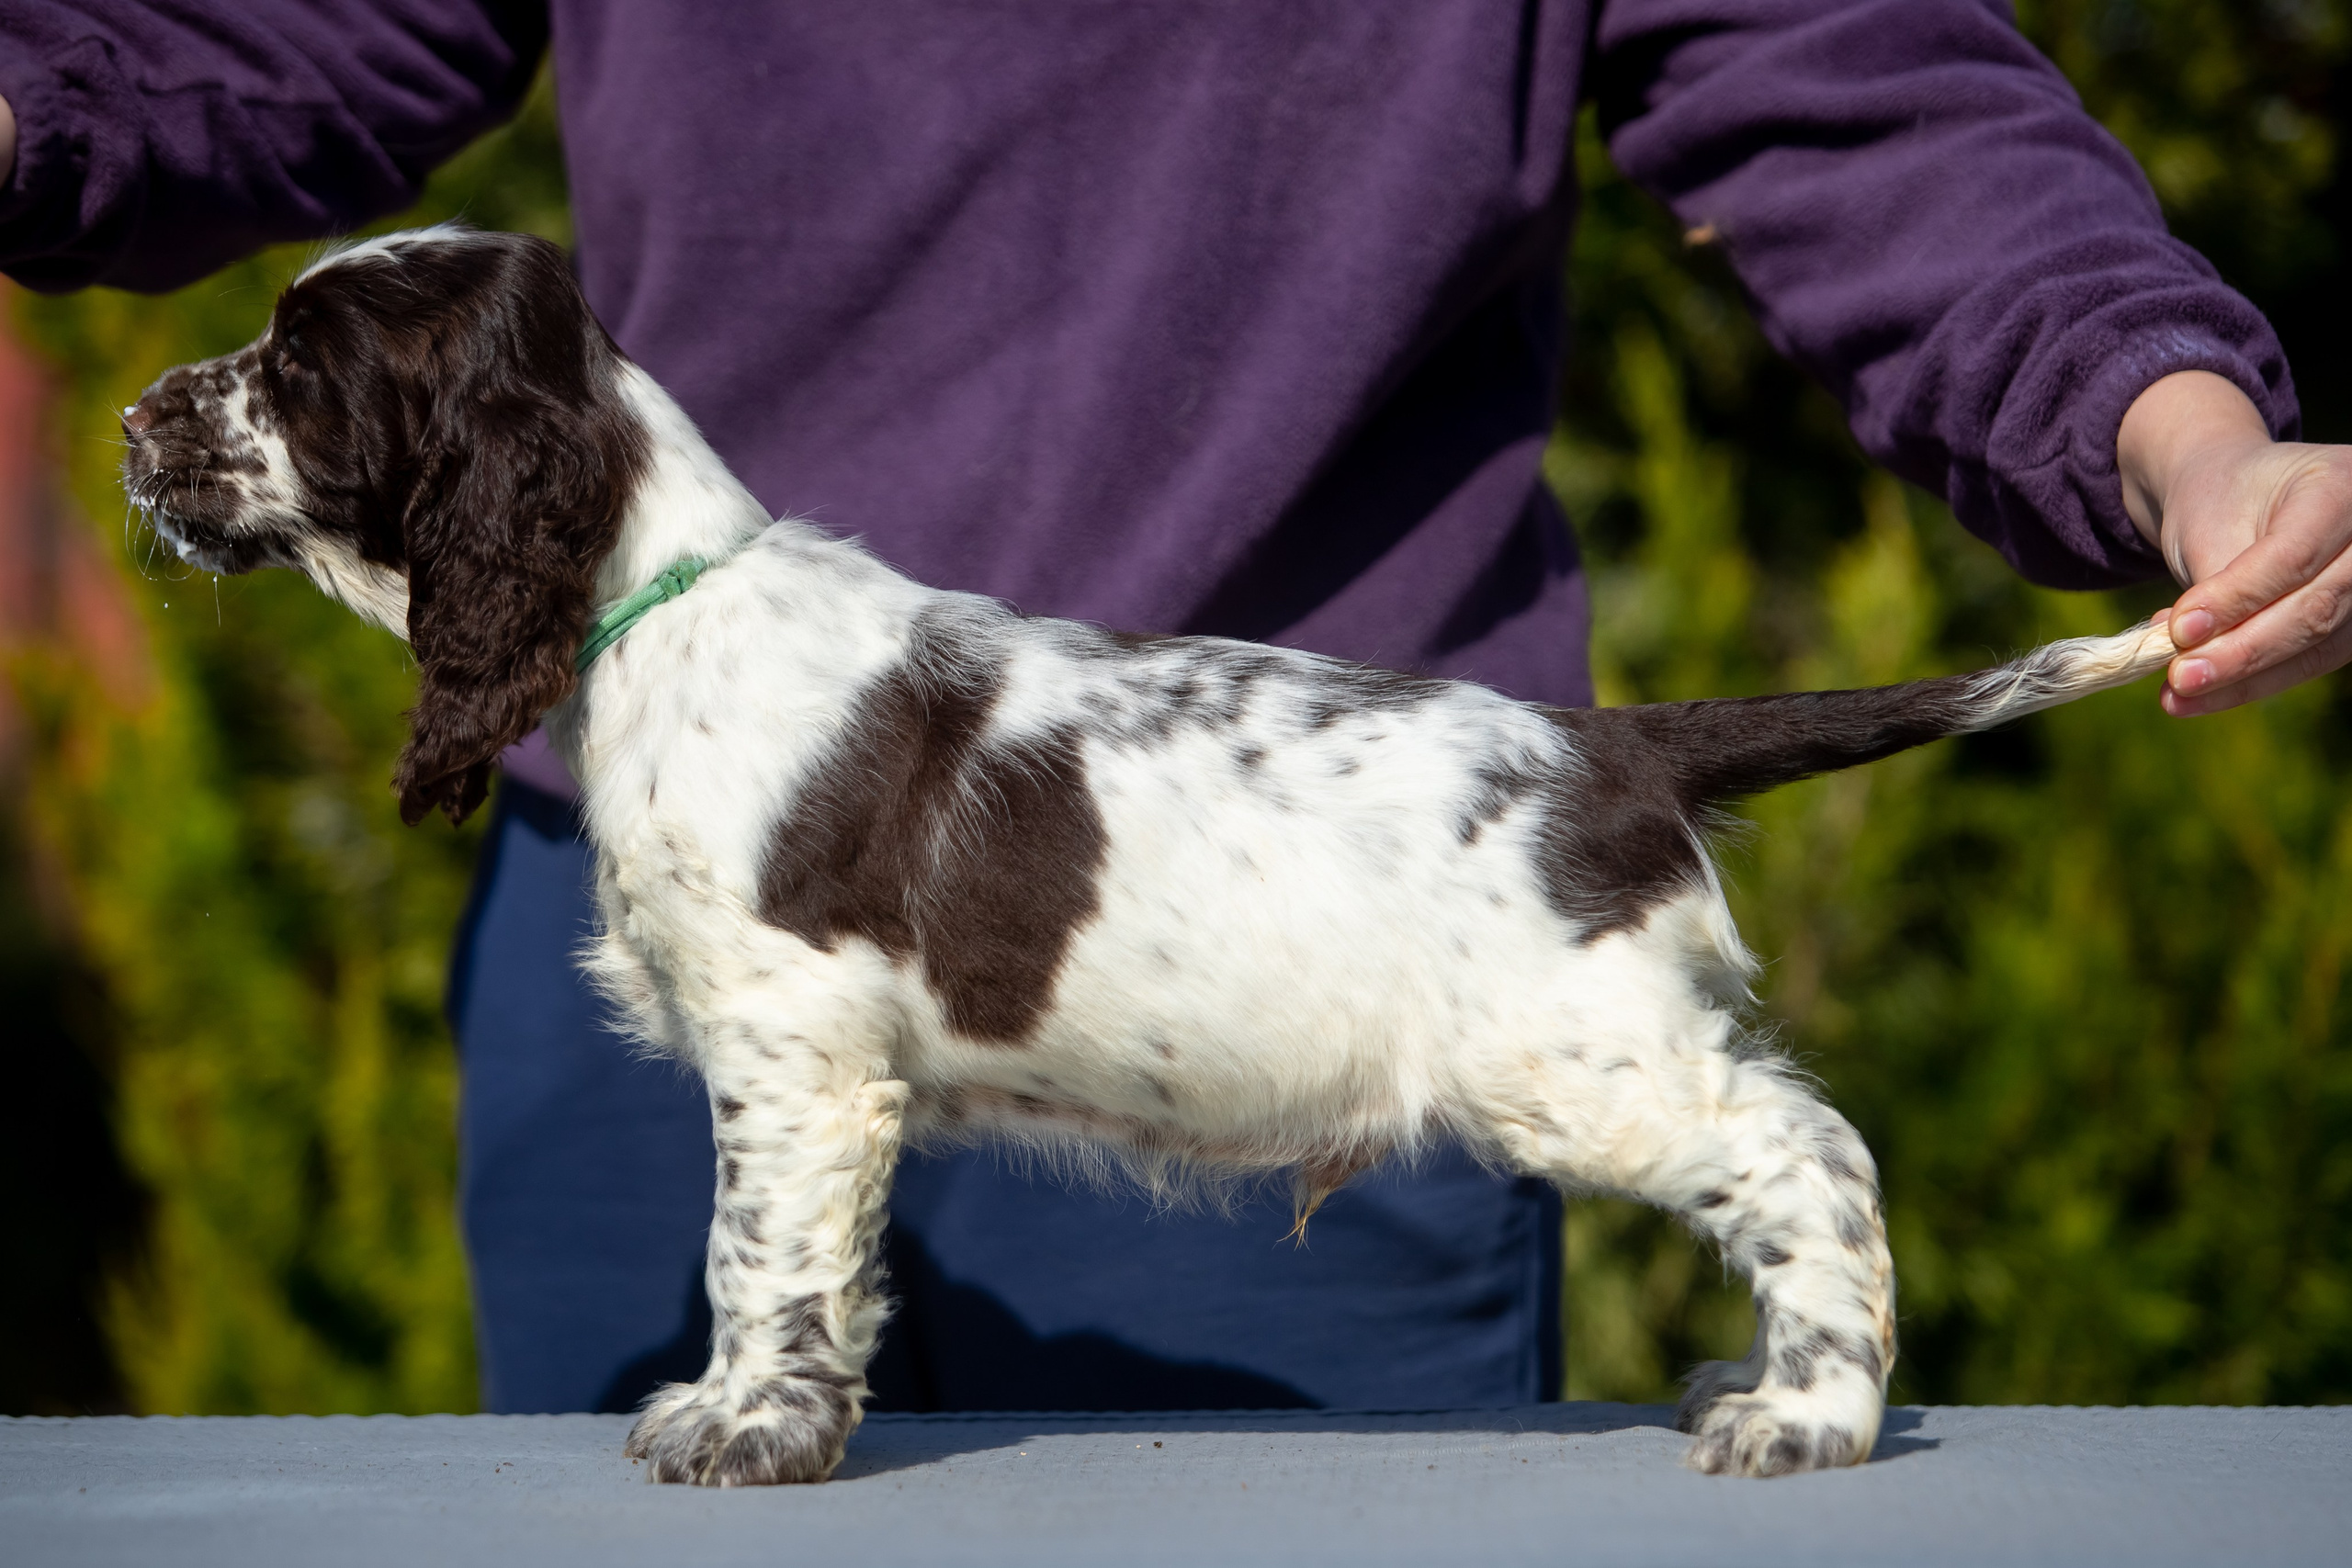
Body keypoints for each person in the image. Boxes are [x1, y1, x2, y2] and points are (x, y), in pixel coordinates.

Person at [3, 1, 2346, 1416]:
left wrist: (2163, 421)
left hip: (1299, 909)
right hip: (645, 879)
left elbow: (1862, 87)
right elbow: (253, 37)